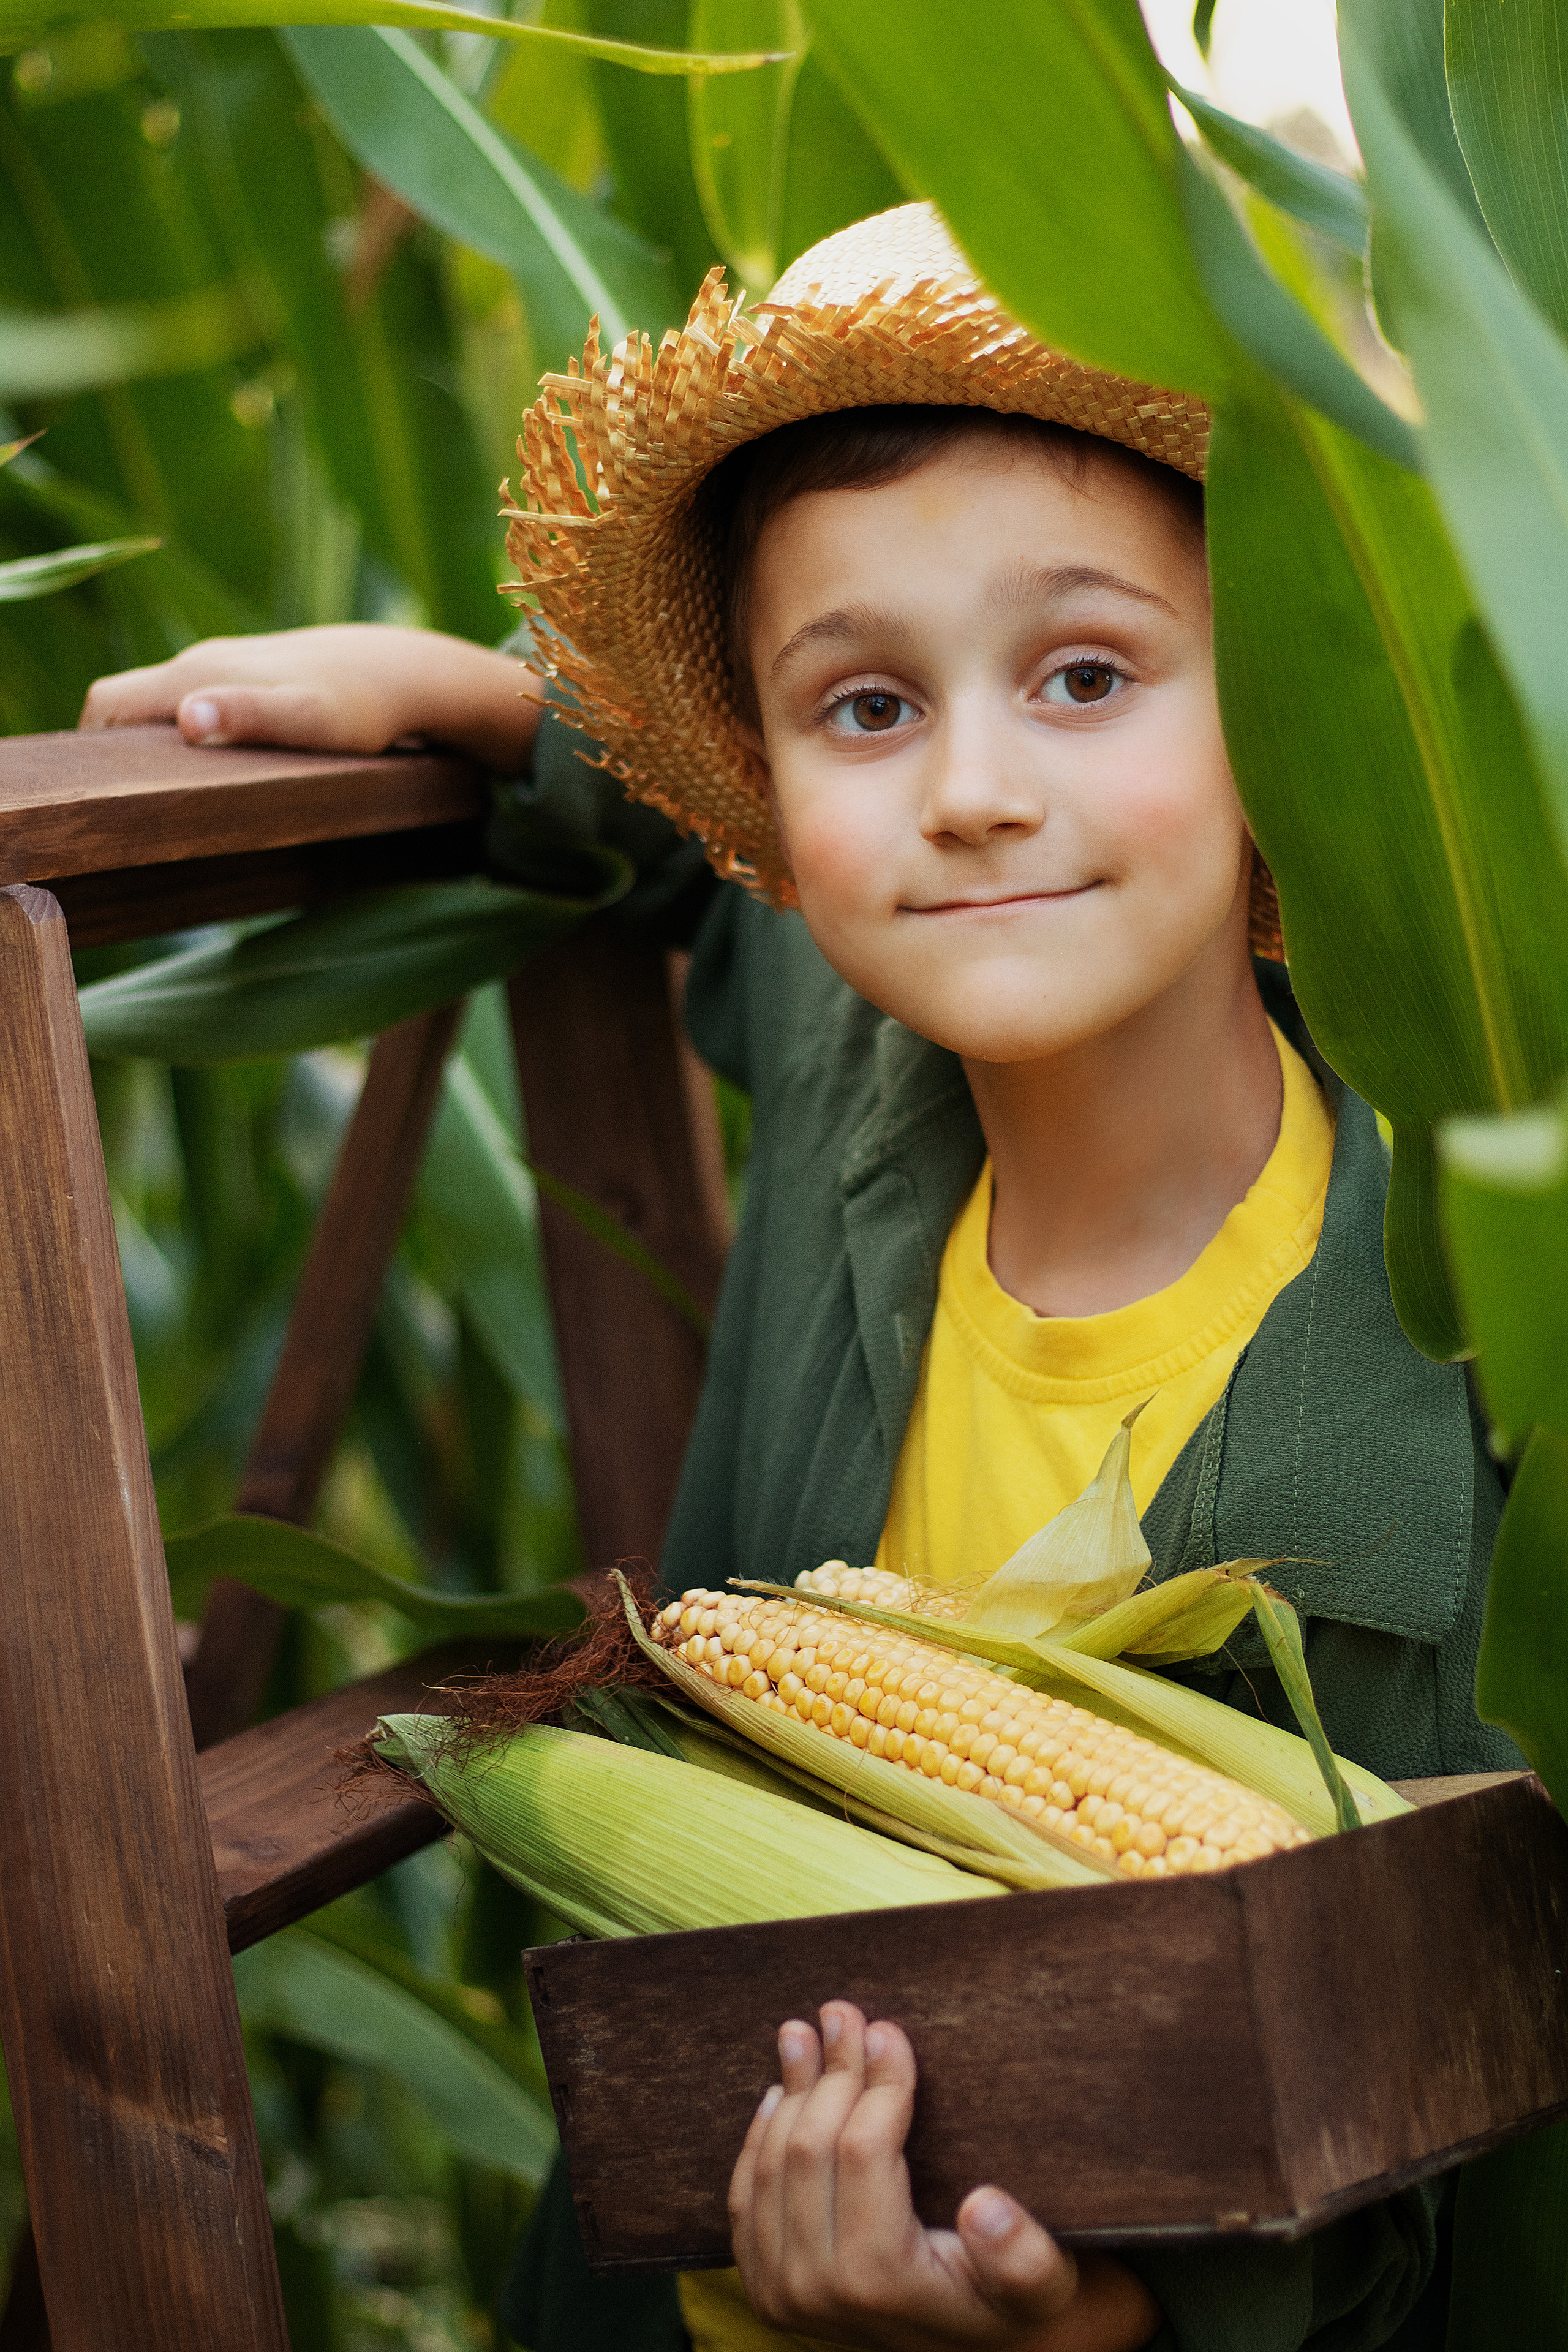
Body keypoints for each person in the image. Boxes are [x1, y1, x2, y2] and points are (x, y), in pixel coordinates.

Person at [83, 205, 1519, 2352]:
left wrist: (1100, 2332)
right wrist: (476, 708)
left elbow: (1442, 2148)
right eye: (867, 704)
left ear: (1290, 707)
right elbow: (693, 853)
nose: (971, 795)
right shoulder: (857, 1024)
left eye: (1088, 675)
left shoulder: (1460, 1399)